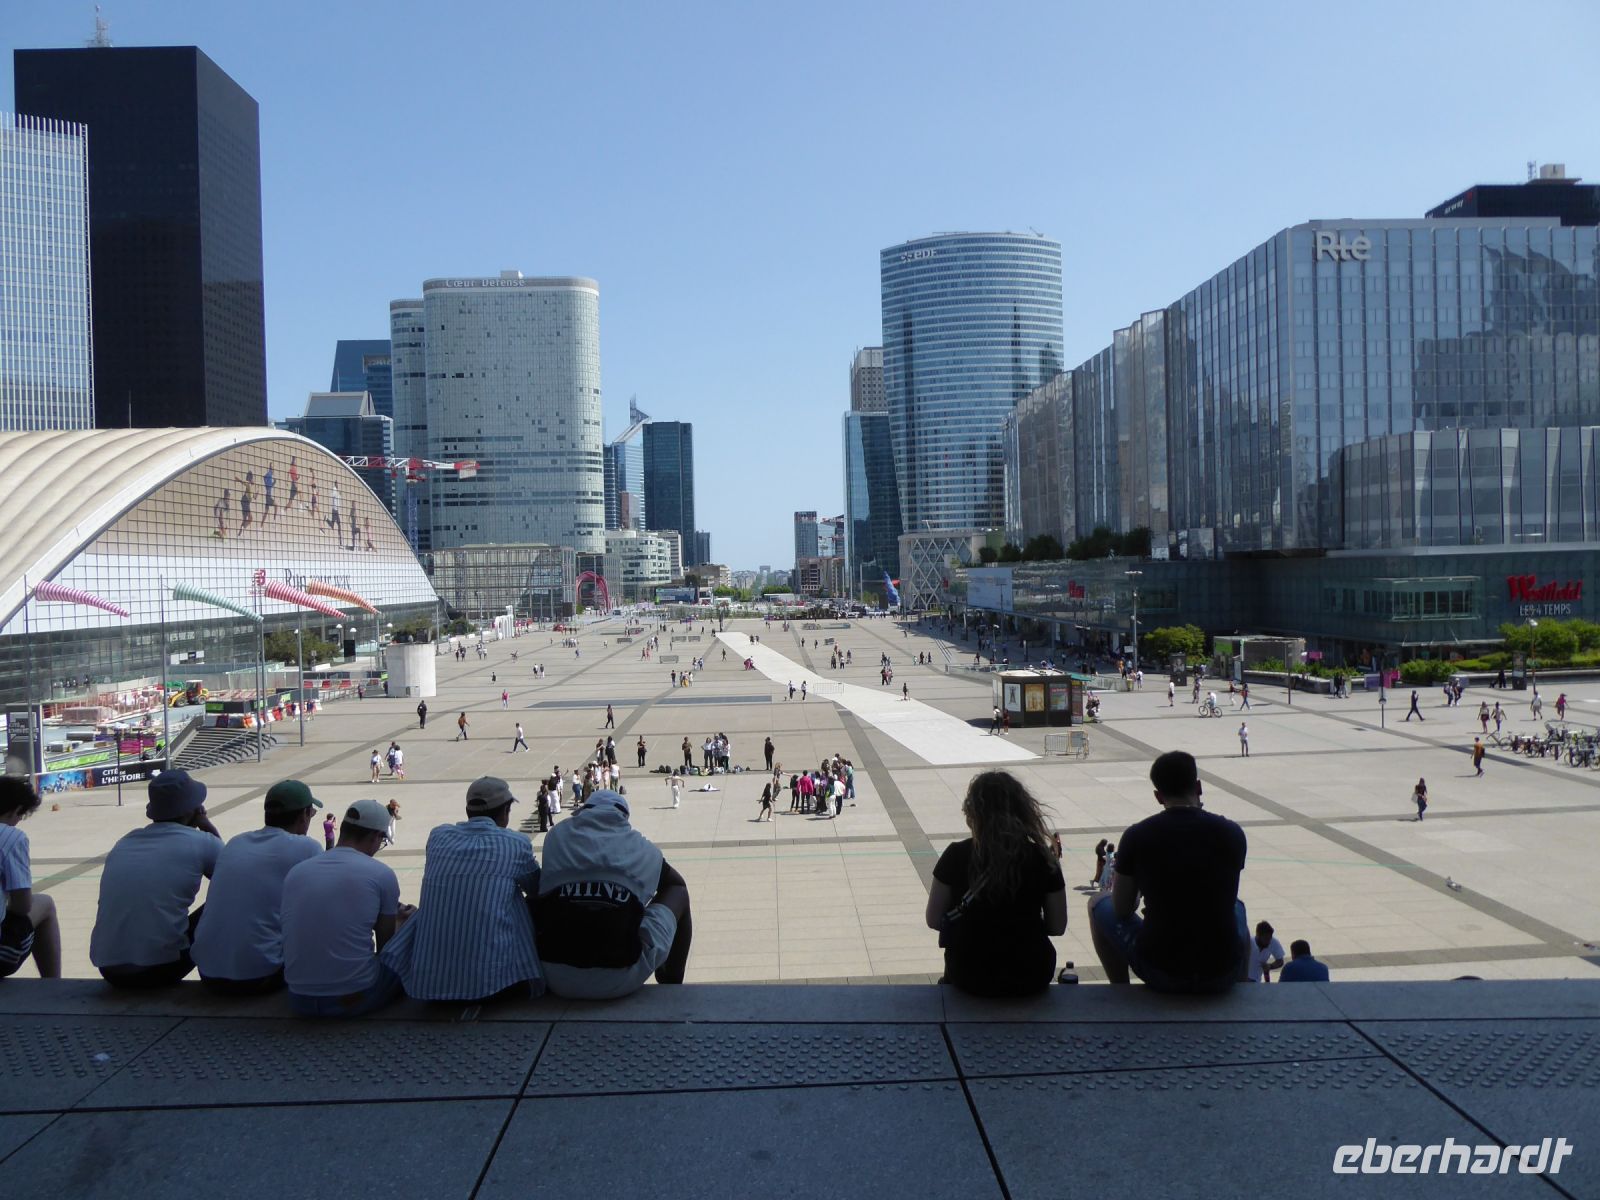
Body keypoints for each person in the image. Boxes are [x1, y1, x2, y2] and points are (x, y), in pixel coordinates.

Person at [1087, 750, 1249, 993]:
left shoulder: (1137, 836)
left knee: (1097, 903)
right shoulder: (1232, 833)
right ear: (1198, 787)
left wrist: (1139, 897)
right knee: (1236, 906)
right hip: (1220, 972)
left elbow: (1121, 909)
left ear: (1158, 796)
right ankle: (1243, 987)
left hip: (1162, 970)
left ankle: (1119, 990)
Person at [381, 777, 544, 1003]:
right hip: (493, 984)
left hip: (427, 985)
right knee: (512, 896)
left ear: (468, 810)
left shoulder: (438, 836)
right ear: (506, 810)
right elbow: (537, 888)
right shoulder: (516, 843)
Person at [533, 791, 692, 998]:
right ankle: (672, 981)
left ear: (584, 811)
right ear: (624, 817)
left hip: (553, 973)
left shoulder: (556, 836)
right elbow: (675, 884)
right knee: (678, 891)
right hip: (619, 979)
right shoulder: (642, 849)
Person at [925, 771, 1067, 996]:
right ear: (1023, 810)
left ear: (972, 813)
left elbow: (934, 920)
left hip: (969, 974)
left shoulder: (956, 855)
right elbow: (1057, 927)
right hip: (1031, 974)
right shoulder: (1043, 859)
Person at [89, 769, 222, 988]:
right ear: (193, 809)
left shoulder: (125, 842)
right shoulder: (202, 842)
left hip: (109, 970)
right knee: (224, 903)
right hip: (159, 969)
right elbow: (231, 879)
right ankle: (222, 977)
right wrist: (207, 826)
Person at [281, 799, 413, 1017]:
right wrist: (402, 922)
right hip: (353, 998)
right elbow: (386, 947)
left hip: (299, 998)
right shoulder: (381, 874)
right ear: (375, 836)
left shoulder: (298, 871)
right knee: (413, 922)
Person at [190, 779, 323, 995]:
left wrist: (206, 824)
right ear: (304, 815)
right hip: (260, 977)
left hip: (208, 974)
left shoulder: (237, 842)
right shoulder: (307, 848)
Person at [0, 778, 61, 979]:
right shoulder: (11, 837)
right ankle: (54, 987)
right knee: (45, 903)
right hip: (2, 956)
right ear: (15, 810)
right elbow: (22, 906)